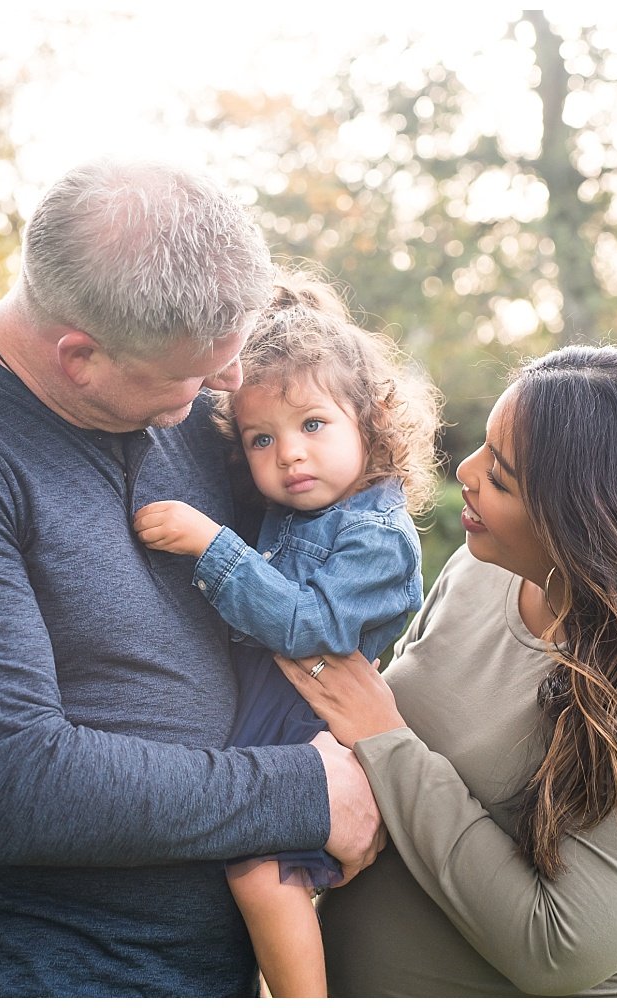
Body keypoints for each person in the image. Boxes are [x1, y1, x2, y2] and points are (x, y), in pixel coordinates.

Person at [0, 158, 383, 998]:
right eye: (198, 372)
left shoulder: (185, 407)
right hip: (51, 975)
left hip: (219, 972)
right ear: (79, 356)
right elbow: (21, 786)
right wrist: (308, 788)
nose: (227, 389)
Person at [279, 343, 617, 996]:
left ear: (591, 522)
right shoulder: (479, 571)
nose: (465, 473)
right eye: (482, 449)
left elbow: (555, 948)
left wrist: (384, 739)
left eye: (501, 477)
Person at [132, 271, 443, 996]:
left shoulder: (378, 534)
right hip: (269, 721)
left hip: (307, 728)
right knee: (256, 873)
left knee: (262, 873)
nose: (289, 455)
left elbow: (311, 626)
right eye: (261, 439)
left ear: (372, 420)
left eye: (313, 426)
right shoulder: (303, 514)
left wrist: (211, 545)